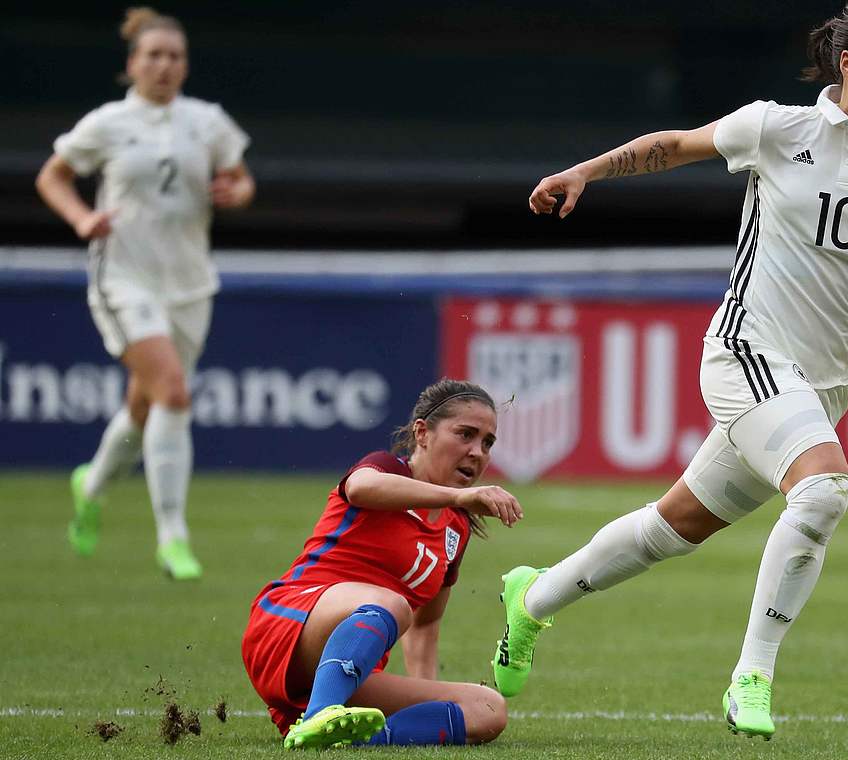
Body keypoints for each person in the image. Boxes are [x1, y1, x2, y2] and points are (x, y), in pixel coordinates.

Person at [494, 0, 848, 740]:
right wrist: (584, 170)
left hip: (823, 384)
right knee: (824, 491)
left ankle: (531, 601)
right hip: (748, 350)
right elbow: (675, 144)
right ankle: (753, 674)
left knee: (671, 527)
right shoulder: (779, 127)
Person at [34, 7, 255, 580]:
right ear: (133, 63)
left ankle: (92, 485)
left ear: (185, 66)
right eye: (153, 55)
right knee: (174, 393)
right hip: (123, 278)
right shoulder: (107, 122)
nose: (164, 65)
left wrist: (237, 190)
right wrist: (81, 217)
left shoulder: (207, 122)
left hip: (188, 283)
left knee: (144, 403)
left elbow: (240, 178)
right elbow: (51, 176)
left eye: (174, 56)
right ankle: (173, 537)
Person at [241, 379, 523, 749]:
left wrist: (431, 692)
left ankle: (342, 738)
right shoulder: (387, 469)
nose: (477, 451)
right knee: (392, 603)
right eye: (465, 434)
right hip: (287, 623)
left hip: (346, 668)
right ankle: (319, 715)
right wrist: (461, 495)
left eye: (487, 442)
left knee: (488, 709)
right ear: (422, 433)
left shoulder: (456, 528)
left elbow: (426, 626)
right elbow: (360, 487)